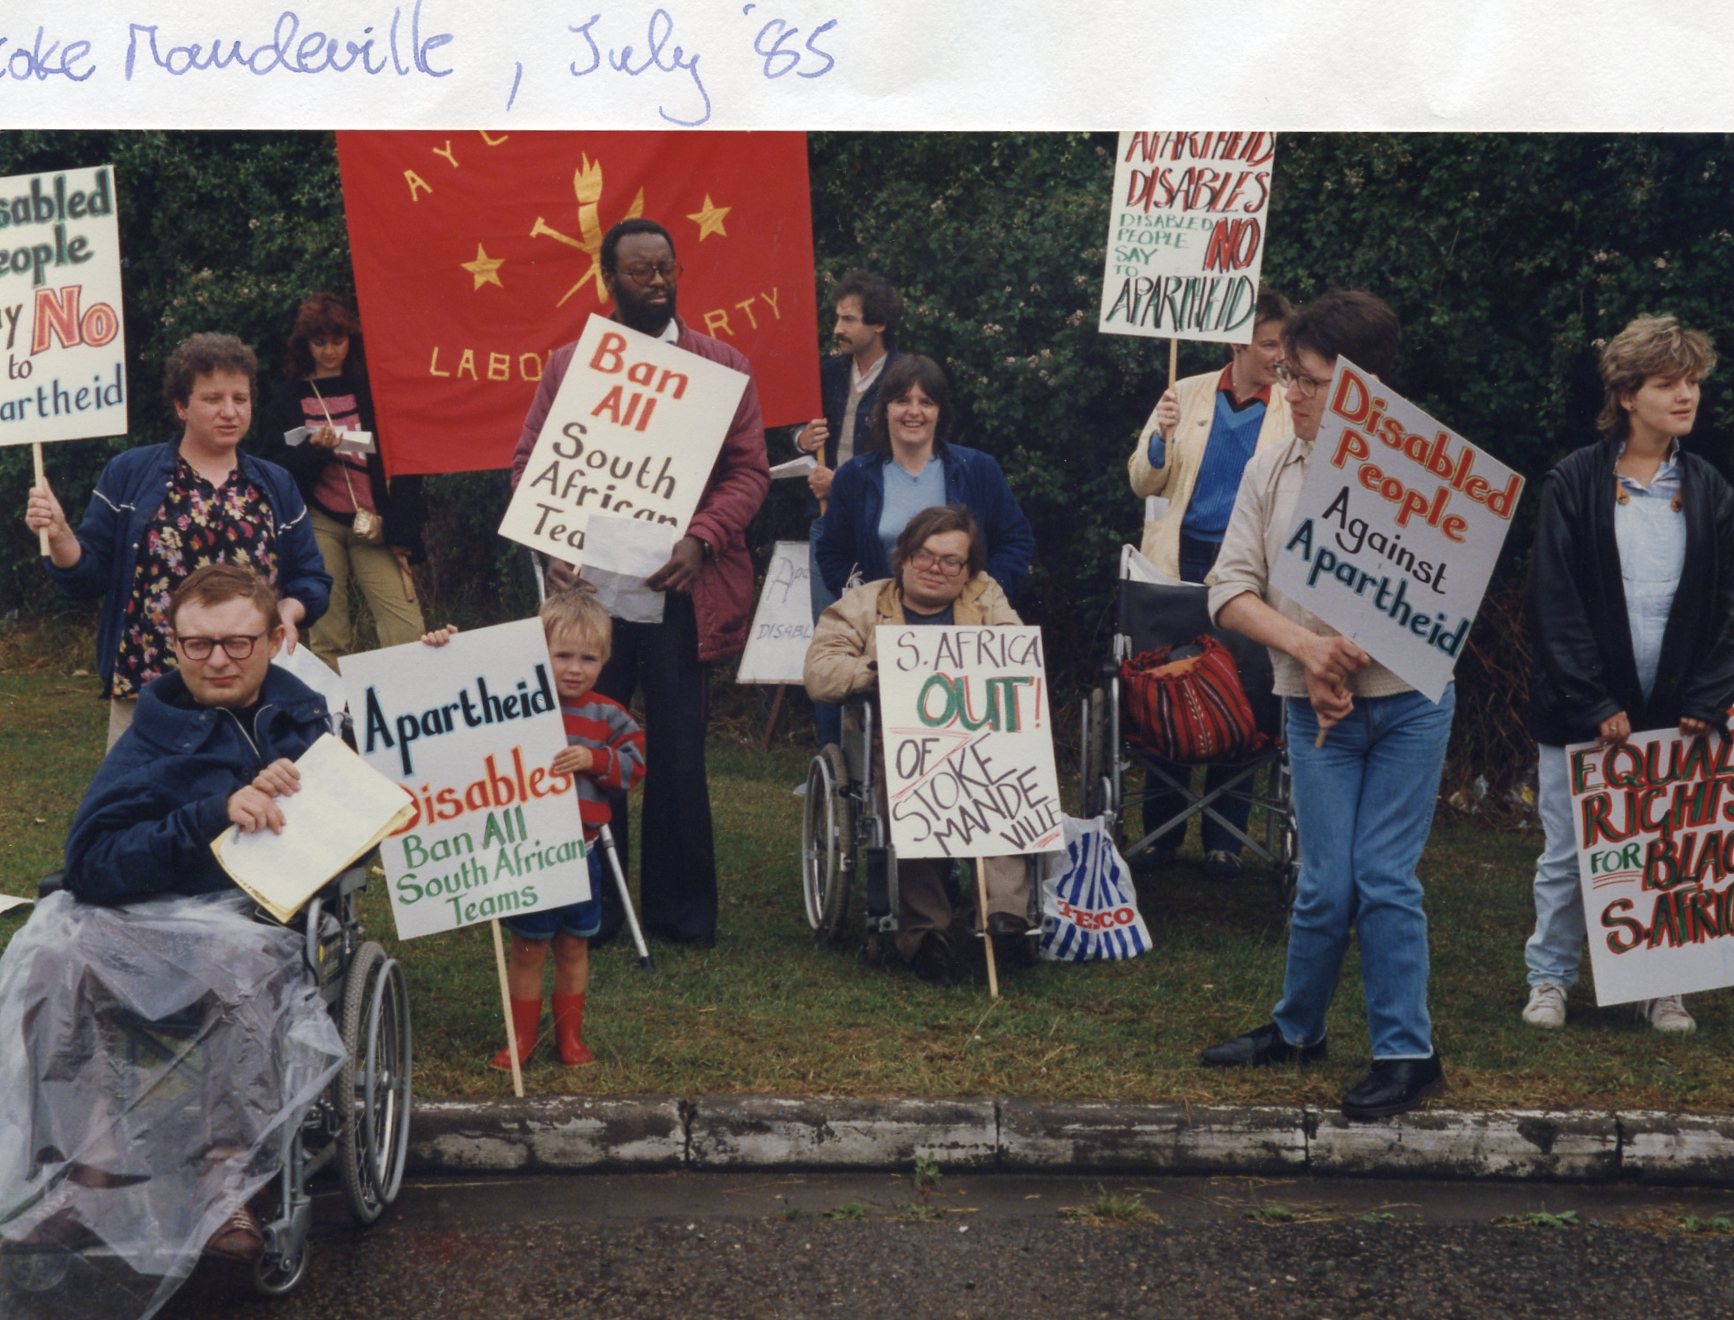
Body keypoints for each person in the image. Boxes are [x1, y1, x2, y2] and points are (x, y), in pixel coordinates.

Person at [0, 564, 344, 1283]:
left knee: (241, 966)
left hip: (252, 923)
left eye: (237, 643)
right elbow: (92, 863)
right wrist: (211, 816)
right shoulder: (153, 734)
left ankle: (228, 1183)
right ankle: (84, 1171)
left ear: (273, 639)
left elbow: (353, 838)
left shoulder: (309, 724)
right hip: (140, 917)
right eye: (198, 644)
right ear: (174, 644)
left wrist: (303, 801)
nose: (218, 660)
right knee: (53, 957)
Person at [1198, 291, 1455, 1122]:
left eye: (1307, 380)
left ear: (1365, 386)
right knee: (1322, 883)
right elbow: (1228, 589)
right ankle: (1297, 1030)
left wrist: (1347, 656)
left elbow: (1441, 598)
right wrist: (1307, 653)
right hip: (1313, 712)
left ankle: (1408, 1054)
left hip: (1409, 706)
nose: (1291, 394)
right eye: (1287, 375)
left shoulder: (1430, 474)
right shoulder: (1271, 469)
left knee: (1382, 879)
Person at [510, 217, 768, 948]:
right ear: (609, 280)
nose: (656, 282)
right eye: (639, 271)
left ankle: (680, 917)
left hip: (682, 593)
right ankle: (591, 910)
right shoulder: (570, 366)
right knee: (586, 746)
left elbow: (748, 471)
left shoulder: (723, 367)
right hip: (594, 601)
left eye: (666, 269)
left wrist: (702, 538)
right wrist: (553, 540)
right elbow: (531, 464)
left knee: (679, 754)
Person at [1521, 315, 1734, 1034]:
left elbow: (1729, 605)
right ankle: (1550, 978)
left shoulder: (1710, 489)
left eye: (1693, 382)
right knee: (1566, 853)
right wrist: (1592, 700)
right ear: (1626, 394)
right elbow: (1553, 599)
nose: (1687, 396)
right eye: (1669, 383)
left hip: (1679, 713)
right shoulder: (1574, 481)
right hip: (1582, 709)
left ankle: (1661, 985)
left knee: (1669, 848)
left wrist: (1708, 696)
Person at [26, 332, 331, 748]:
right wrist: (61, 536)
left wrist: (288, 611)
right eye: (212, 399)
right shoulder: (129, 473)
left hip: (250, 693)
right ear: (181, 406)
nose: (229, 411)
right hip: (151, 692)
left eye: (240, 399)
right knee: (141, 790)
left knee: (256, 791)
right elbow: (87, 577)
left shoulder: (277, 484)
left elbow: (311, 579)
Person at [804, 505, 1033, 985]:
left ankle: (1005, 912)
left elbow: (1015, 655)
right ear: (904, 557)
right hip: (895, 741)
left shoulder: (985, 597)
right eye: (924, 555)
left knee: (1007, 773)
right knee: (911, 788)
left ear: (967, 570)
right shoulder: (864, 603)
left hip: (977, 737)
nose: (935, 568)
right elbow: (820, 672)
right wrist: (875, 669)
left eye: (951, 561)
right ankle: (926, 932)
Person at [422, 587, 646, 1071]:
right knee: (528, 950)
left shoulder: (611, 717)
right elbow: (454, 702)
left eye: (588, 658)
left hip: (582, 855)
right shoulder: (512, 702)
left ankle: (570, 1038)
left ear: (605, 660)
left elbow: (633, 769)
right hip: (529, 854)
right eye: (562, 655)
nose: (574, 668)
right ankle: (521, 1038)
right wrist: (446, 650)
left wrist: (595, 760)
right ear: (537, 652)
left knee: (574, 946)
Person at [1126, 287, 1293, 875]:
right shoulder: (1186, 392)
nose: (1280, 357)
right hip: (1179, 565)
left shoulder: (1292, 406)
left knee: (1243, 694)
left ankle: (1227, 837)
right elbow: (1143, 482)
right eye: (1268, 345)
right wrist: (1159, 438)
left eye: (1284, 345)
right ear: (1236, 344)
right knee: (1171, 686)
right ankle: (1160, 834)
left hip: (1248, 571)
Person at [256, 291, 428, 668]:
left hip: (374, 521)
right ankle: (335, 704)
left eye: (338, 340)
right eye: (320, 342)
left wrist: (402, 534)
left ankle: (408, 695)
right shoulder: (288, 397)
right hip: (319, 521)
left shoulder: (373, 387)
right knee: (328, 633)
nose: (330, 351)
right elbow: (273, 469)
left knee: (405, 627)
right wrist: (315, 451)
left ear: (351, 339)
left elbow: (406, 457)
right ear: (306, 344)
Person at [814, 354, 1033, 603]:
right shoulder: (854, 476)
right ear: (885, 409)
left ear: (940, 412)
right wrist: (867, 600)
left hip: (965, 619)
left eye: (926, 402)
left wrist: (981, 595)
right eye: (902, 400)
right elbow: (832, 553)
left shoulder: (978, 470)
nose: (914, 412)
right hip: (881, 617)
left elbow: (1016, 541)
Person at [793, 271, 904, 748]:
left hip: (887, 532)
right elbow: (796, 427)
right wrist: (802, 439)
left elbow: (913, 454)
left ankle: (887, 755)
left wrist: (842, 482)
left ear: (878, 324)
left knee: (887, 639)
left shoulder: (905, 378)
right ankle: (831, 758)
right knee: (830, 642)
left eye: (848, 319)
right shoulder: (827, 372)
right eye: (837, 318)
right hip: (830, 529)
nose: (837, 328)